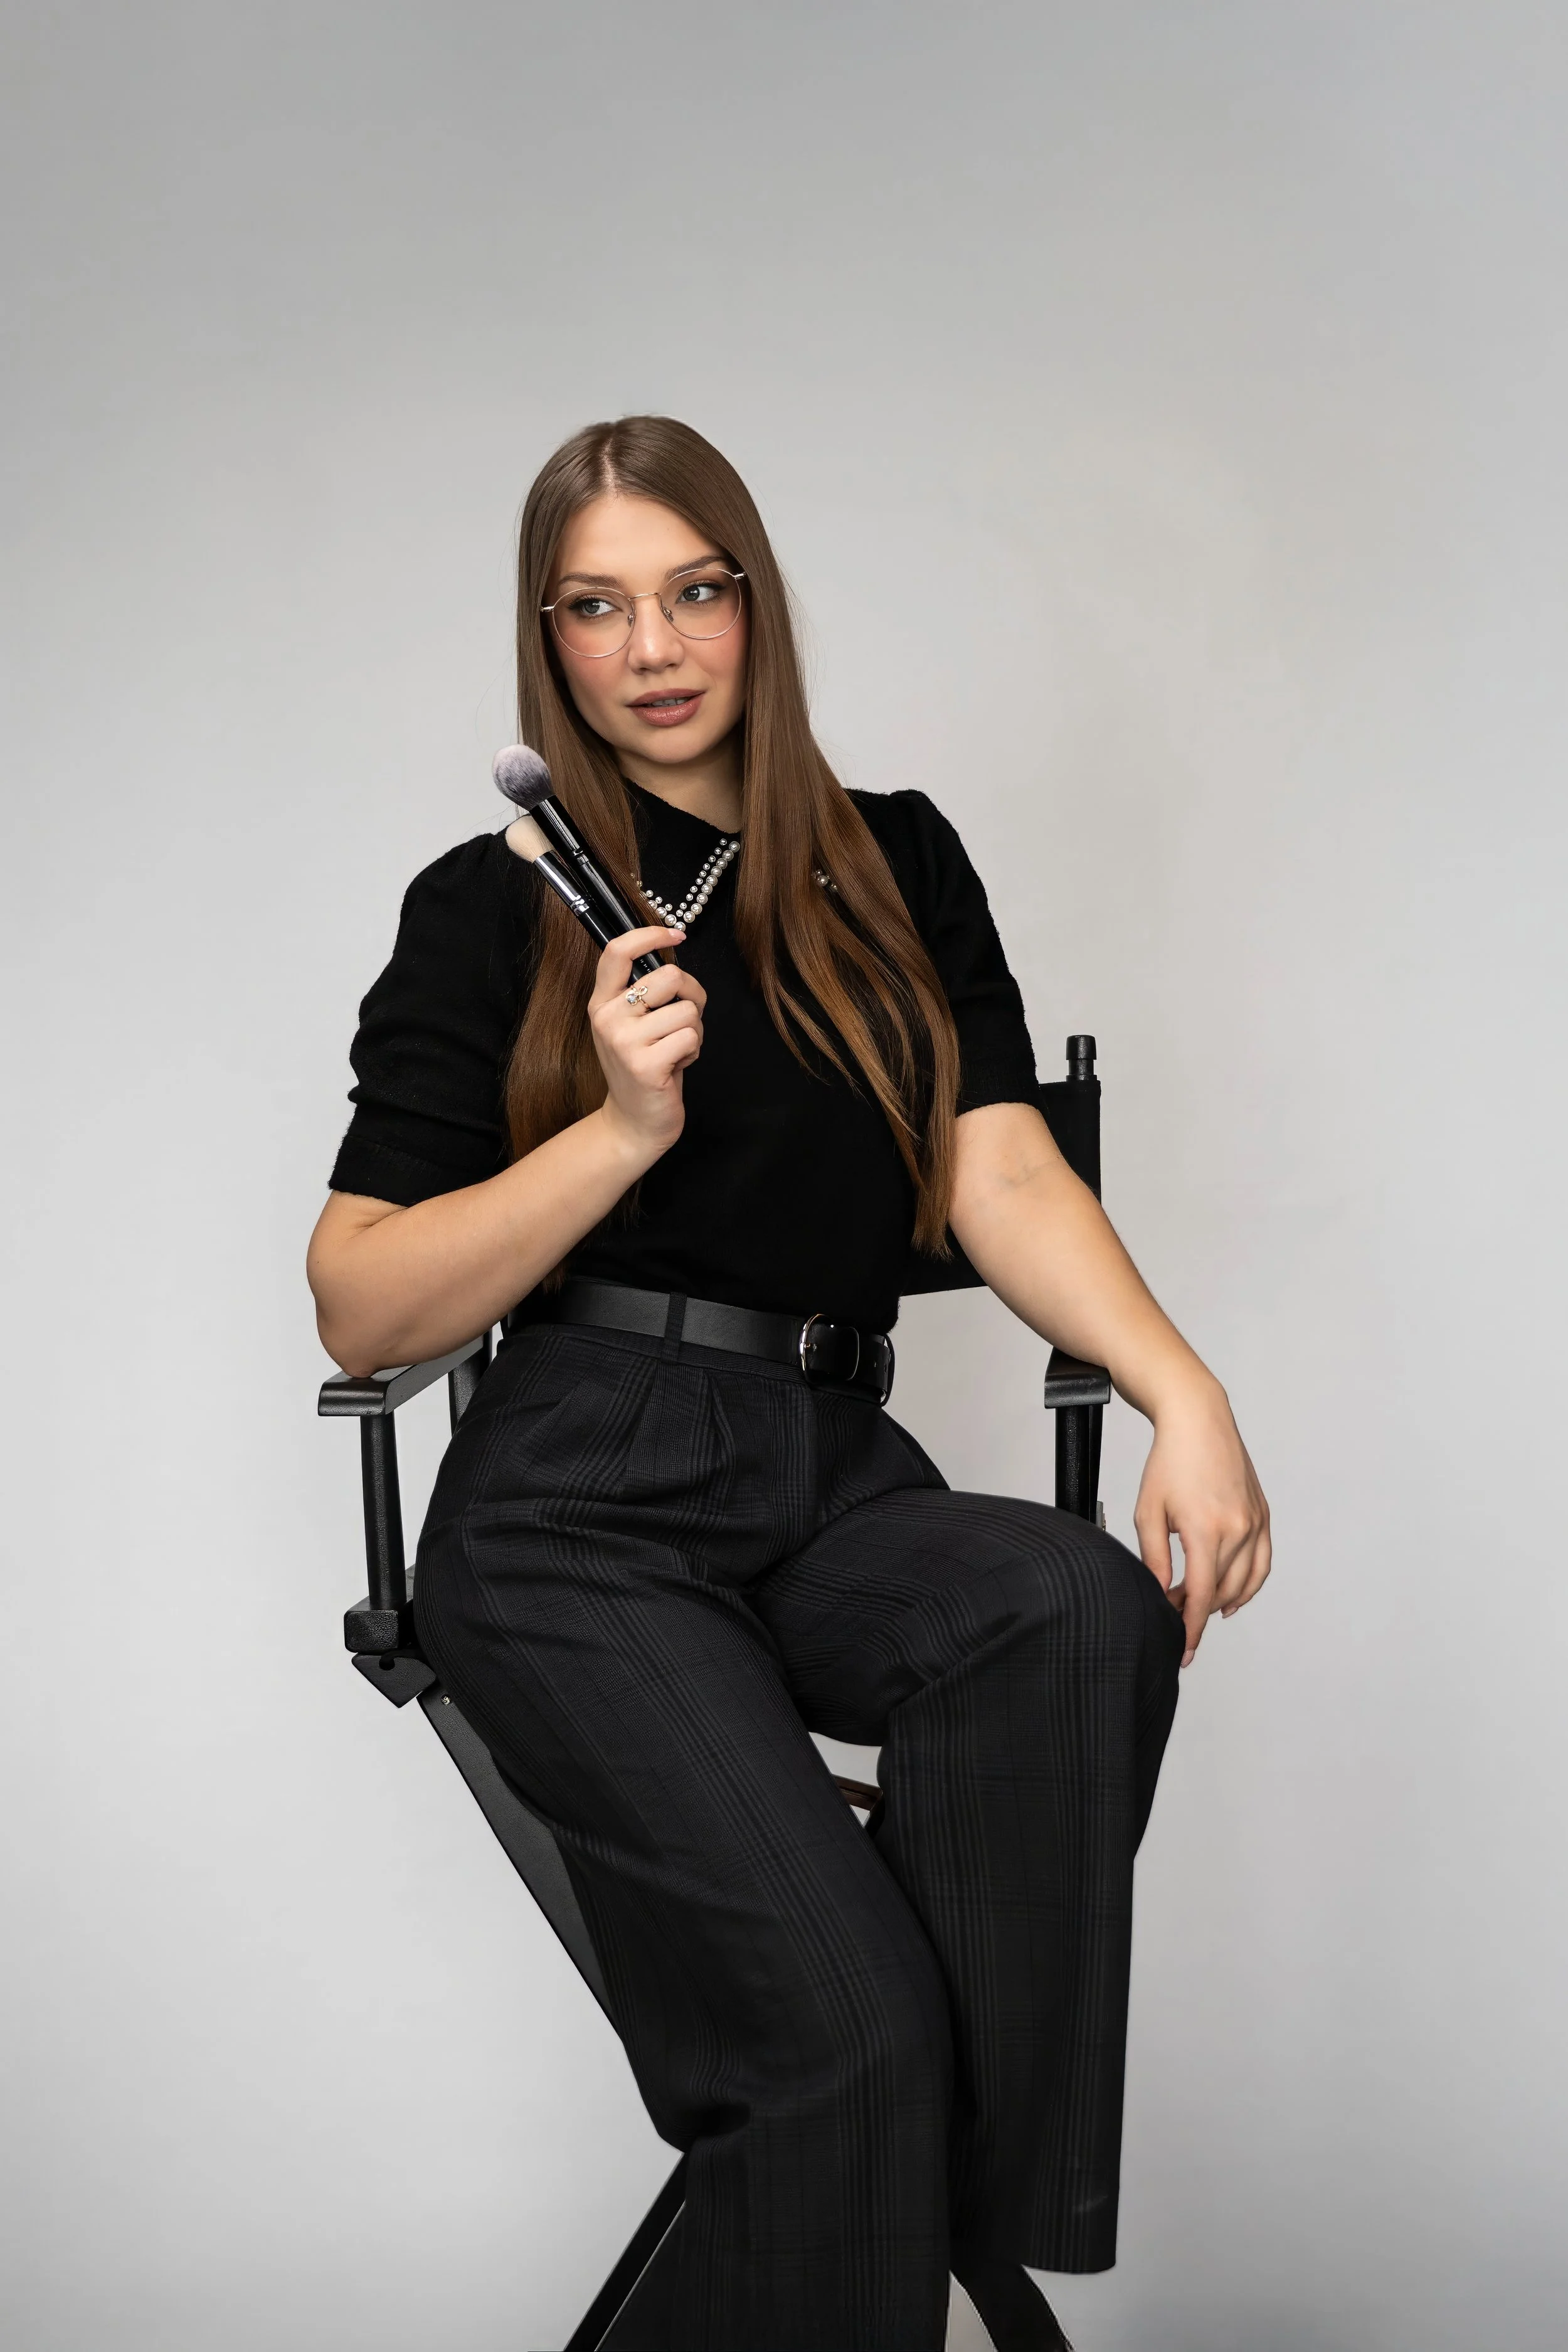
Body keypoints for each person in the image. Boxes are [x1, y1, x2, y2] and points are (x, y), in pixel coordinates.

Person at [306, 415, 1271, 2352]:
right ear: (546, 639)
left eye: (693, 590)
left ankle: (910, 2213)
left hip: (829, 1467)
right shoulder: (490, 904)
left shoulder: (888, 858)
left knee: (1071, 1605)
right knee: (842, 2030)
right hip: (577, 1503)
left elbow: (998, 1169)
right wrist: (617, 1127)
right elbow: (359, 1305)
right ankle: (874, 2173)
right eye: (595, 607)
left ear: (754, 602)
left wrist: (1188, 1396)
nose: (653, 646)